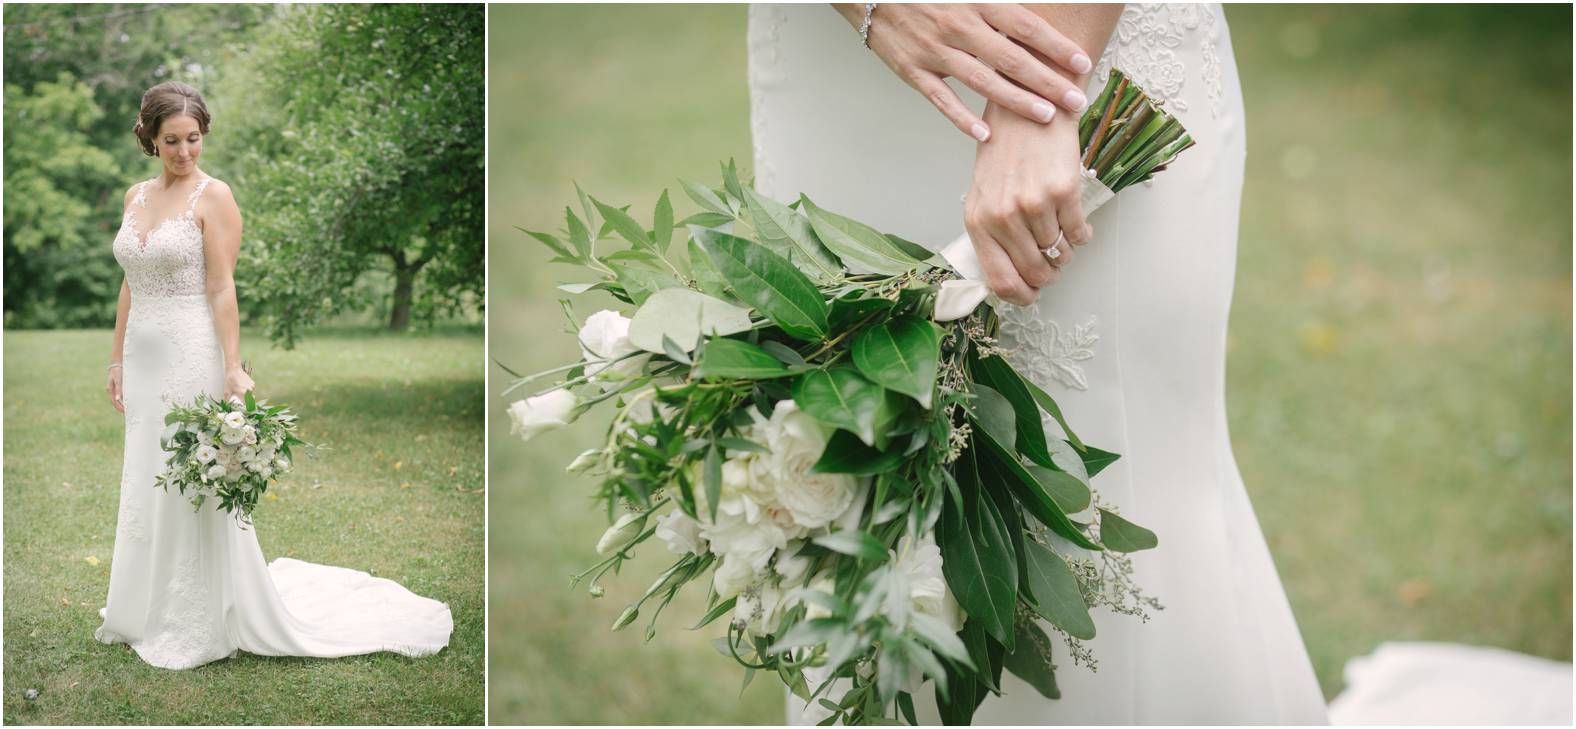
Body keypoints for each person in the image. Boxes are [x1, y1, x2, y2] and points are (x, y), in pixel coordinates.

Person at [750, 4, 1329, 722]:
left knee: (1126, 480)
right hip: (840, 71)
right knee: (852, 479)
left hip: (1083, 42)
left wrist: (1038, 96)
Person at [98, 81, 453, 669]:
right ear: (149, 138)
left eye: (194, 139)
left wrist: (232, 368)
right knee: (145, 475)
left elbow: (221, 286)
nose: (185, 152)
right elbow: (129, 284)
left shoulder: (215, 197)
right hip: (141, 357)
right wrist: (115, 358)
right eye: (172, 142)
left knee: (189, 476)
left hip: (191, 353)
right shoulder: (135, 196)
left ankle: (198, 614)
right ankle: (142, 606)